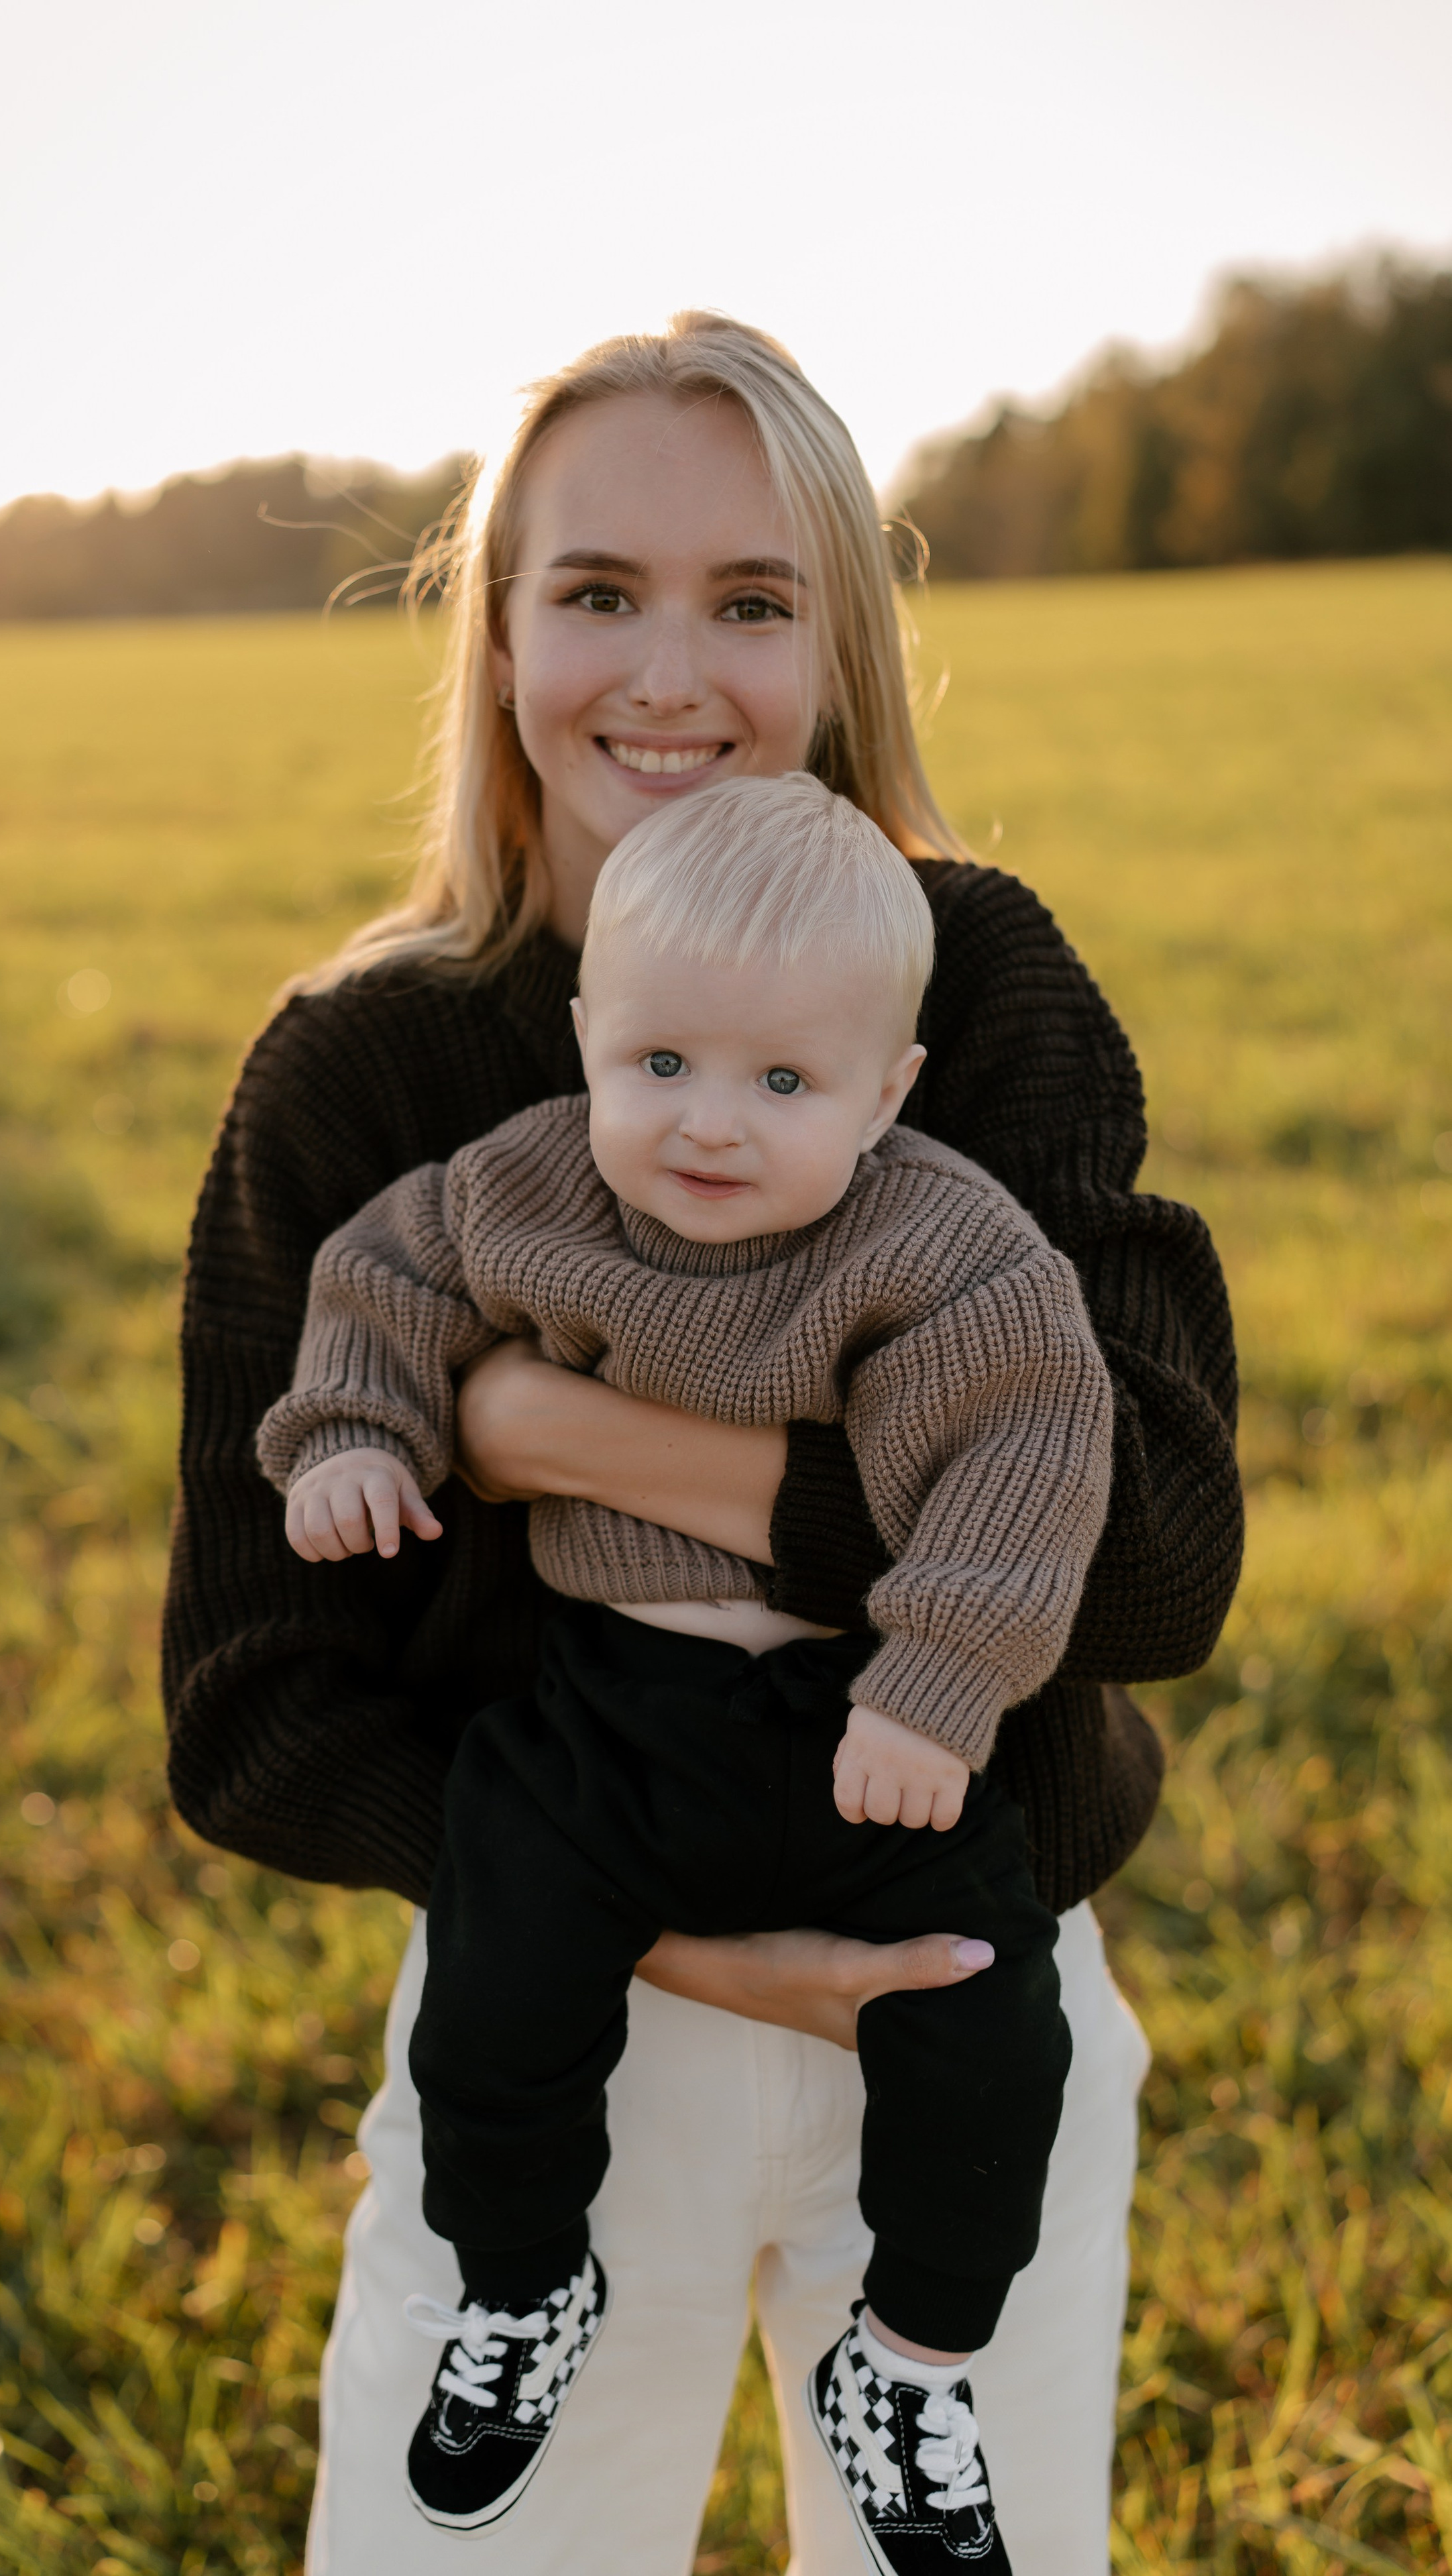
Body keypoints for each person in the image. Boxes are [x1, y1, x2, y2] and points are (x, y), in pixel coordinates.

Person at [163, 313, 1242, 2576]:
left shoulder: (973, 985)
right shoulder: (368, 1073)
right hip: (546, 2029)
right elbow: (250, 1717)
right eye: (596, 593)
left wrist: (552, 1426)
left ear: (843, 643)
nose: (673, 672)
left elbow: (1146, 1565)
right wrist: (656, 1942)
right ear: (497, 633)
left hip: (967, 1987)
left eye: (751, 601)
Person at [259, 771, 1115, 2567]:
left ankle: (914, 2360)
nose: (709, 1125)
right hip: (610, 1711)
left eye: (784, 1083)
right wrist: (355, 1432)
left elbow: (1037, 1451)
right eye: (660, 1064)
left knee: (987, 2022)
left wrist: (939, 1683)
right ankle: (522, 2284)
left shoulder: (945, 1246)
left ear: (891, 1092)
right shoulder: (525, 1188)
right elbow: (384, 1279)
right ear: (589, 1035)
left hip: (858, 1724)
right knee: (494, 1991)